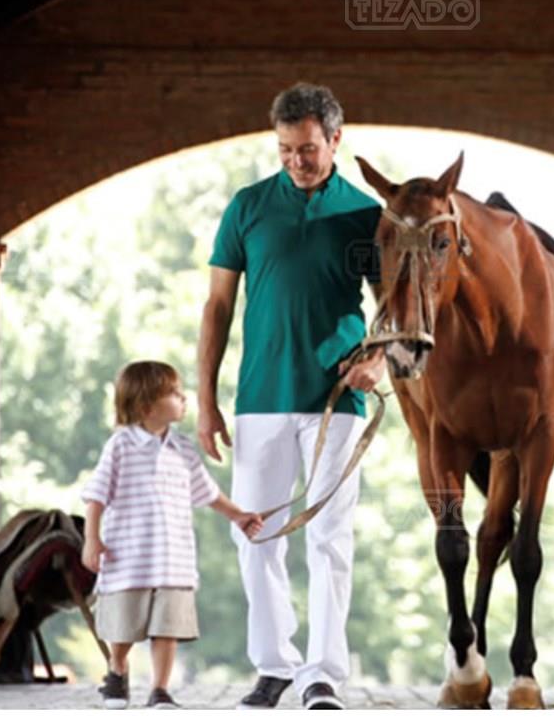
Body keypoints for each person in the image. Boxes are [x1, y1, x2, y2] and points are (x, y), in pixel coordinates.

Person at [198, 83, 389, 710]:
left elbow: (395, 307)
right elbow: (218, 305)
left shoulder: (366, 215)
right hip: (260, 398)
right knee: (256, 534)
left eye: (307, 148)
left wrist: (379, 359)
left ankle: (323, 675)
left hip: (338, 401)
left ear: (335, 139)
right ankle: (274, 665)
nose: (295, 160)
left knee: (330, 536)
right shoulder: (248, 207)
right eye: (284, 149)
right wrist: (205, 400)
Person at [80, 360, 266, 710]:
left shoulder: (182, 449)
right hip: (129, 558)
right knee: (123, 627)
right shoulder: (120, 446)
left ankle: (160, 689)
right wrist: (92, 539)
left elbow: (208, 493)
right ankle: (117, 670)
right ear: (146, 406)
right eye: (174, 393)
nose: (184, 398)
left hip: (173, 560)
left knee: (167, 628)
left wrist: (238, 515)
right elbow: (96, 496)